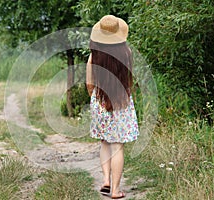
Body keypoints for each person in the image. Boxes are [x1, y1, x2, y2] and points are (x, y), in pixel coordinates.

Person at [86, 15, 139, 199]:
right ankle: (116, 190)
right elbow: (129, 79)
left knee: (104, 142)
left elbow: (89, 83)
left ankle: (106, 181)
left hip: (100, 100)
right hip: (121, 100)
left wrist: (96, 101)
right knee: (117, 146)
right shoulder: (127, 53)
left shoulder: (94, 56)